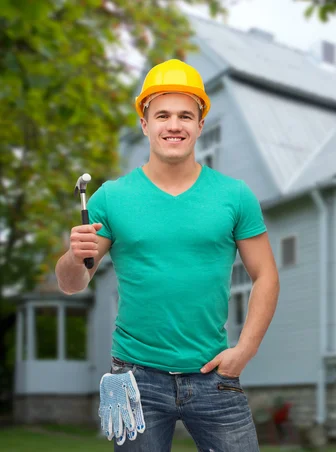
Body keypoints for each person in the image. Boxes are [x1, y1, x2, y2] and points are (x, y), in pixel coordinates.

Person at [55, 59, 280, 451]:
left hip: (215, 376)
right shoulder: (112, 197)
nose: (173, 125)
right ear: (145, 123)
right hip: (136, 377)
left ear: (199, 125)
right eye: (162, 115)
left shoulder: (235, 195)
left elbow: (265, 276)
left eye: (184, 116)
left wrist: (245, 349)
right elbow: (73, 284)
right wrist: (75, 257)